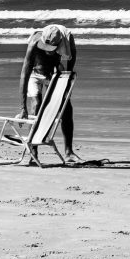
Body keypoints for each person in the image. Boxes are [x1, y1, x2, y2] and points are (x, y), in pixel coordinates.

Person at [18, 23, 79, 164]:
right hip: (35, 73)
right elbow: (24, 74)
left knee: (66, 108)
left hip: (54, 73)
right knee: (37, 105)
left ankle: (69, 152)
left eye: (53, 49)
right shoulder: (34, 42)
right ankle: (33, 152)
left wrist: (66, 80)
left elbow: (71, 61)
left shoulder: (67, 39)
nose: (49, 51)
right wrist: (22, 108)